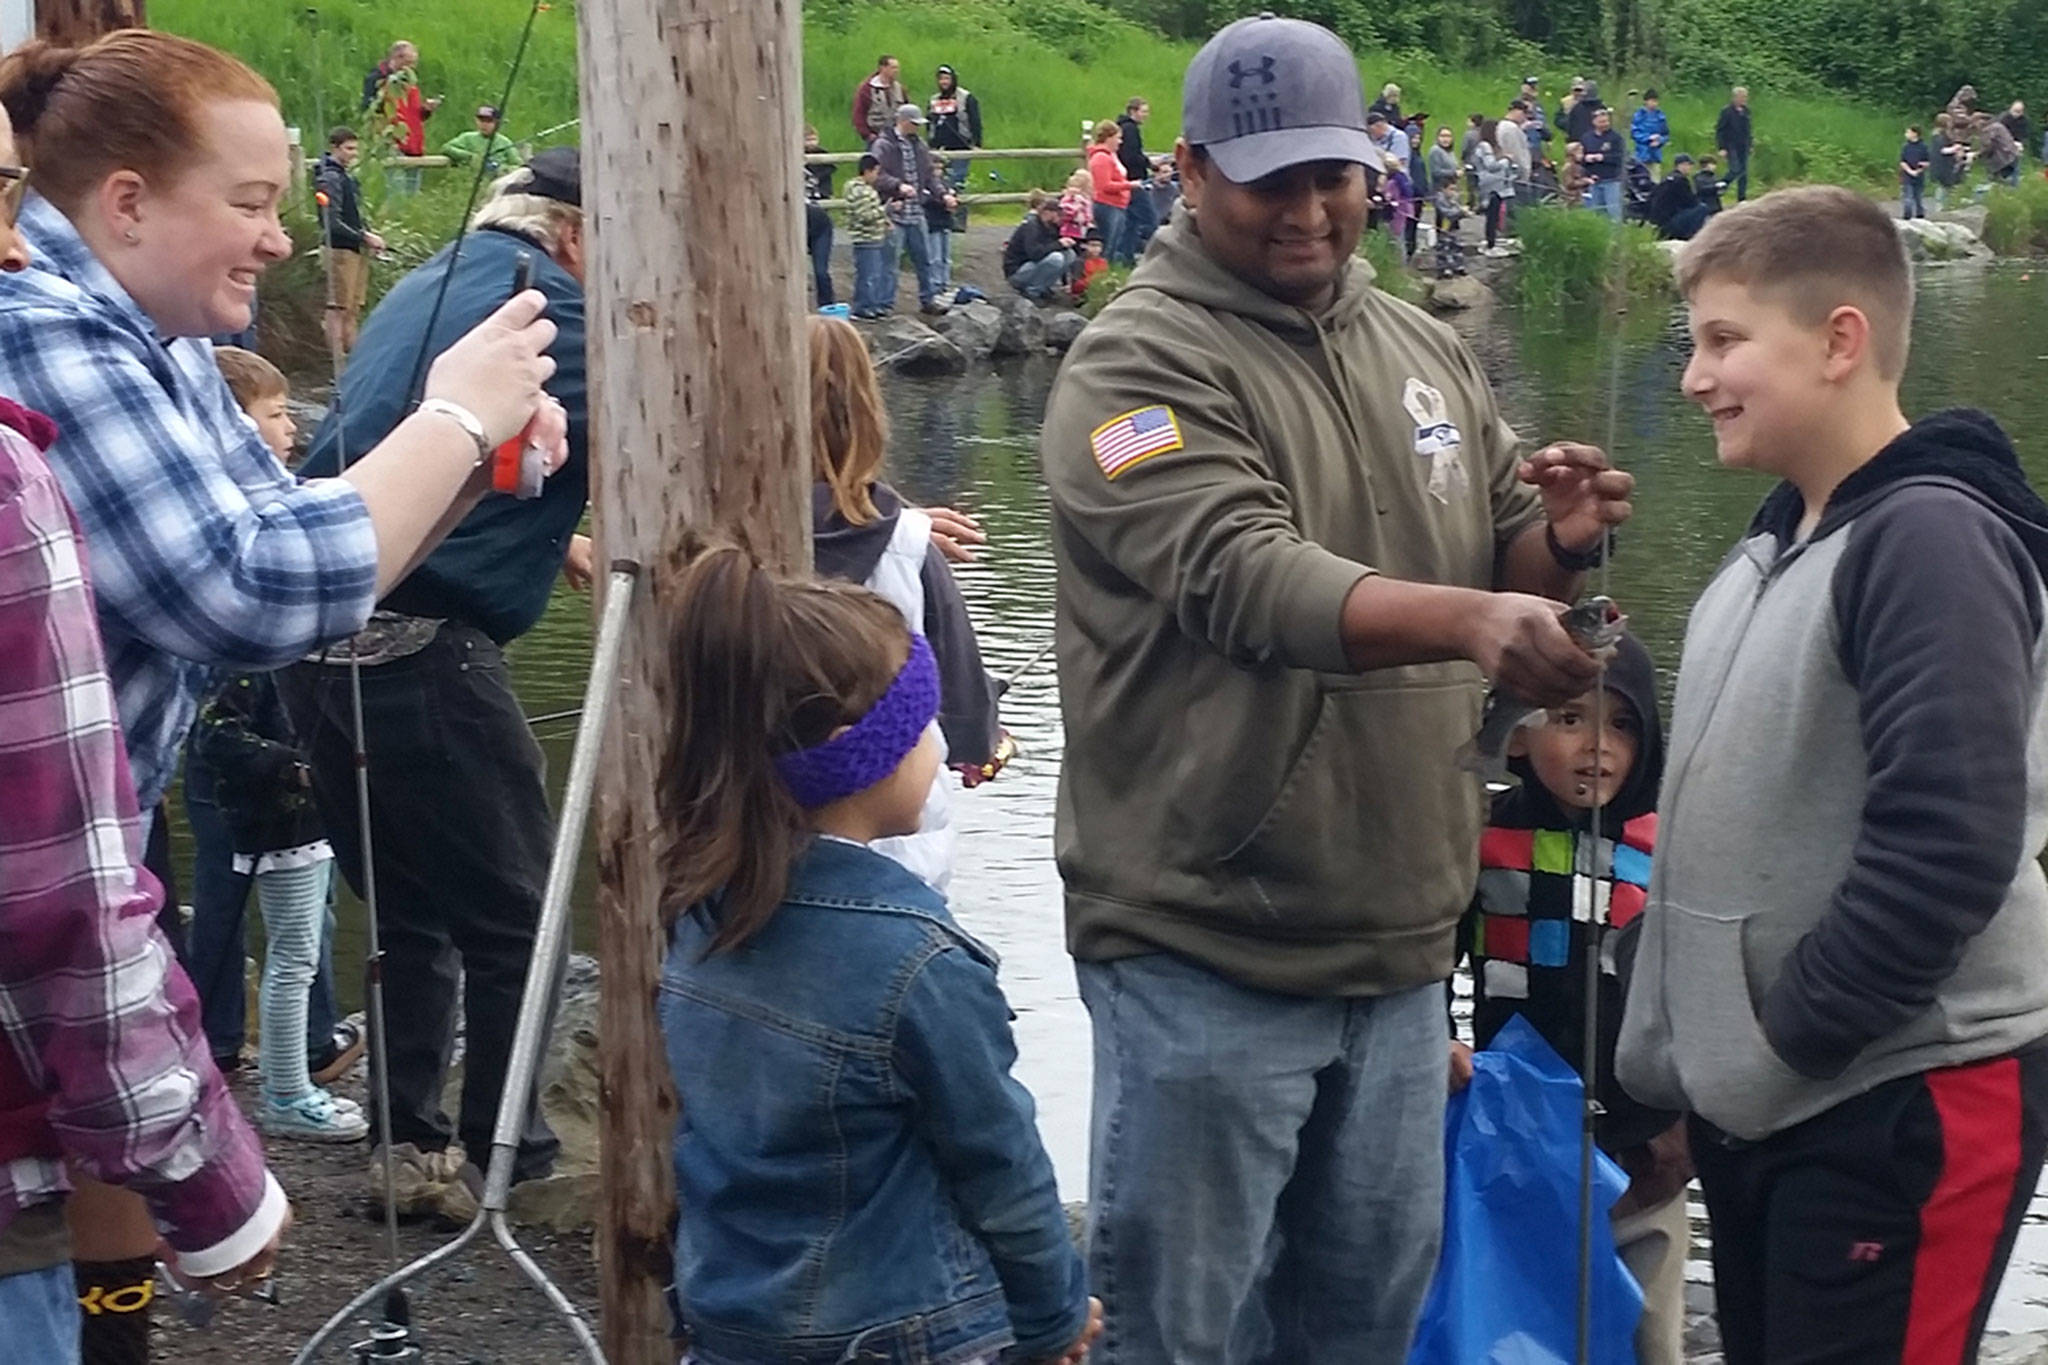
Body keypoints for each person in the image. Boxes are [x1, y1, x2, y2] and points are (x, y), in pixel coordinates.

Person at [1041, 15, 1634, 1363]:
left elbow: (1497, 544)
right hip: (1204, 948)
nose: (1309, 209)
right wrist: (1478, 619)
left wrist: (1560, 546)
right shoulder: (1130, 368)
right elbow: (1241, 575)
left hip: (1401, 949)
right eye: (1271, 179)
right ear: (1190, 171)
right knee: (1177, 1340)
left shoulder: (1418, 345)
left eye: (1334, 175)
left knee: (1360, 1334)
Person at [0, 34, 566, 1338]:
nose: (277, 240)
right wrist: (458, 418)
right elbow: (255, 587)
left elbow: (306, 541)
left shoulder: (150, 341)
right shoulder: (46, 327)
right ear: (128, 202)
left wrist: (468, 466)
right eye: (250, 205)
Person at [1619, 185, 2048, 1365]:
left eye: (1721, 341)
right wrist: (1677, 1060)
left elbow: (1948, 845)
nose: (1693, 377)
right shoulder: (1779, 542)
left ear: (1838, 340)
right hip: (1773, 1109)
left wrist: (1784, 1038)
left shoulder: (1929, 541)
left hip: (1894, 1101)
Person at [653, 545, 1101, 1365]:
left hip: (734, 1324)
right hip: (897, 1337)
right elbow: (1001, 1163)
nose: (938, 740)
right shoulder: (918, 961)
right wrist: (1055, 1316)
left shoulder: (696, 909)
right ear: (868, 751)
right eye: (922, 721)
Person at [283, 150, 588, 1221]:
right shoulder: (550, 306)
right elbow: (665, 431)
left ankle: (407, 1149)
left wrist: (562, 543)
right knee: (520, 917)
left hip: (313, 630)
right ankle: (509, 1152)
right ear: (577, 235)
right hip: (427, 640)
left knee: (406, 915)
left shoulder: (431, 278)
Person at [1450, 630, 1688, 1365]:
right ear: (1517, 738)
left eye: (1622, 724)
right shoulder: (1481, 836)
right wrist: (1437, 1036)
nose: (1597, 746)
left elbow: (1699, 981)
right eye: (1569, 719)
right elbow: (1425, 953)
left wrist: (1690, 1125)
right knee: (1520, 1329)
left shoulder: (1668, 847)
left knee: (1651, 1334)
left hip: (1648, 1152)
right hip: (1517, 1140)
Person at [188, 348, 366, 1147]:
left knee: (268, 932)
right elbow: (220, 725)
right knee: (295, 950)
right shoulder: (244, 536)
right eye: (276, 414)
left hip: (279, 793)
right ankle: (289, 1091)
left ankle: (230, 1057)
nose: (293, 428)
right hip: (278, 807)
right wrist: (294, 765)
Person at [807, 316, 1001, 888]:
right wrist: (985, 741)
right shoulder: (911, 546)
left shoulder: (722, 540)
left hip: (758, 842)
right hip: (897, 855)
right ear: (869, 411)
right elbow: (964, 711)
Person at [871, 104, 954, 316]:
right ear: (904, 121)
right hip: (894, 212)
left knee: (924, 259)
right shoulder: (883, 145)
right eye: (914, 124)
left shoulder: (920, 146)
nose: (917, 128)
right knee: (890, 262)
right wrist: (898, 186)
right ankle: (884, 304)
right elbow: (876, 175)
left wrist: (943, 194)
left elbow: (929, 176)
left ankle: (928, 299)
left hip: (916, 212)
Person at [314, 125, 383, 356]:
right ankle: (337, 359)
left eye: (355, 148)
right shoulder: (330, 177)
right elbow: (330, 221)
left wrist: (366, 237)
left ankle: (353, 356)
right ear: (334, 147)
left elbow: (355, 214)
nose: (354, 153)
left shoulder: (346, 177)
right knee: (337, 308)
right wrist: (364, 236)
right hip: (339, 250)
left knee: (353, 308)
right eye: (349, 148)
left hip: (355, 248)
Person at [370, 40, 439, 196]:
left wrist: (426, 110)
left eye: (414, 63)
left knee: (412, 193)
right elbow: (372, 109)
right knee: (396, 192)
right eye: (408, 62)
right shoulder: (378, 79)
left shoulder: (411, 84)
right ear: (397, 58)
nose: (412, 67)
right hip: (394, 142)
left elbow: (415, 115)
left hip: (414, 144)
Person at [1004, 190, 1076, 301]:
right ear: (1048, 213)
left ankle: (1043, 287)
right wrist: (1058, 244)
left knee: (1069, 254)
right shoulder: (1032, 226)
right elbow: (1035, 254)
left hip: (1032, 267)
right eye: (1059, 214)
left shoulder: (1051, 227)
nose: (1061, 218)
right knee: (1055, 259)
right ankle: (1032, 291)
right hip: (1018, 270)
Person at [846, 152, 891, 318]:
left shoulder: (867, 190)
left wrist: (885, 221)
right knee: (867, 274)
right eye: (876, 172)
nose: (877, 177)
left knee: (875, 272)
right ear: (867, 171)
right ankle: (862, 306)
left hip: (874, 237)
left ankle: (872, 303)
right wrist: (885, 209)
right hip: (865, 238)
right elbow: (865, 215)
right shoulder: (860, 191)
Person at [927, 65, 981, 197]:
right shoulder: (934, 100)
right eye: (941, 79)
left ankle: (959, 214)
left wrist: (977, 143)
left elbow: (975, 121)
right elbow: (930, 122)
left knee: (957, 181)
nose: (944, 82)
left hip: (961, 145)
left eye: (947, 78)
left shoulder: (966, 97)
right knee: (939, 182)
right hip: (939, 148)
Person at [1117, 97, 1160, 259]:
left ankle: (1124, 258)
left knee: (1131, 223)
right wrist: (1149, 163)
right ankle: (1158, 256)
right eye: (1143, 111)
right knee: (1151, 220)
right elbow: (1131, 156)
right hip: (1134, 181)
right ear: (1133, 111)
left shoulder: (1122, 128)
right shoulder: (1131, 130)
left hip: (1126, 181)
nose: (1146, 115)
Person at [1088, 118, 1134, 267]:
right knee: (1106, 245)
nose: (1120, 142)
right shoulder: (1101, 158)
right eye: (1118, 138)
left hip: (1118, 205)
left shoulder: (1110, 156)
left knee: (1113, 245)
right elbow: (1104, 185)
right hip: (1107, 205)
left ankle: (1106, 274)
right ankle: (1097, 276)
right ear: (1108, 138)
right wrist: (1129, 185)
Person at [802, 124, 836, 308]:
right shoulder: (789, 161)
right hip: (796, 222)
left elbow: (827, 190)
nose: (811, 143)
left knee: (821, 271)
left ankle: (828, 307)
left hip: (820, 223)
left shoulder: (825, 162)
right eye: (807, 139)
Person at [439, 104, 523, 174]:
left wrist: (501, 168)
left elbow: (518, 165)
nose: (484, 124)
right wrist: (470, 157)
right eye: (481, 120)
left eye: (489, 121)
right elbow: (446, 148)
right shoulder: (467, 137)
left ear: (497, 123)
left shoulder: (504, 142)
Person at [1647, 152, 1711, 239]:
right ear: (1682, 165)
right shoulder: (1680, 180)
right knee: (1703, 208)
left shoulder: (1666, 178)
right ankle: (1691, 236)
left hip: (1658, 222)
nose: (1690, 168)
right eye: (1689, 165)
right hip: (1670, 223)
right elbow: (1691, 202)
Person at [851, 53, 906, 146]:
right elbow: (859, 114)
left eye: (897, 68)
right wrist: (867, 135)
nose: (896, 71)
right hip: (876, 138)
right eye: (893, 68)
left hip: (897, 138)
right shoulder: (867, 89)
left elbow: (906, 110)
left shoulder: (900, 88)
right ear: (882, 68)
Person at [1582, 106, 1625, 220]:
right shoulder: (1587, 138)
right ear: (1594, 122)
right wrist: (1586, 158)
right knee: (1596, 213)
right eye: (1601, 121)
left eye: (1606, 121)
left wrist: (1603, 157)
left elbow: (1621, 157)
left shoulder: (1616, 138)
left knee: (1613, 212)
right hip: (1593, 180)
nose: (1605, 124)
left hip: (1611, 180)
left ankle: (1616, 236)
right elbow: (1579, 157)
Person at [1474, 135, 1515, 254]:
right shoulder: (1484, 147)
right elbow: (1491, 166)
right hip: (1490, 186)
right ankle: (1490, 242)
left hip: (1497, 185)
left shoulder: (1490, 148)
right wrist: (1506, 159)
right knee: (1491, 215)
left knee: (1495, 214)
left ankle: (1492, 239)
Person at [1715, 86, 1753, 202]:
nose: (1744, 99)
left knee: (1744, 173)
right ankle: (1720, 185)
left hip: (1744, 144)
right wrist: (1721, 147)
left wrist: (1751, 144)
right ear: (1735, 97)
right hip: (1731, 144)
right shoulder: (1726, 111)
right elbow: (1720, 130)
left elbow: (1748, 129)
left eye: (1745, 97)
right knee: (1735, 169)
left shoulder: (1746, 111)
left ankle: (1741, 198)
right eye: (1741, 97)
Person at [1431, 170, 1468, 278]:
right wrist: (1460, 212)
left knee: (1456, 245)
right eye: (1451, 189)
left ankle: (1458, 265)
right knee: (1444, 247)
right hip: (1443, 226)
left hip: (1454, 226)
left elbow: (1457, 210)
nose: (1453, 192)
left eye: (1455, 189)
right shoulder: (1439, 199)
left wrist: (1464, 213)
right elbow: (1447, 213)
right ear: (1443, 189)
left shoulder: (1455, 198)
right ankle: (1444, 268)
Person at [1499, 101, 1534, 209]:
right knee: (1520, 210)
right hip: (1517, 177)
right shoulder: (1511, 128)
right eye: (1524, 113)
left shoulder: (1503, 125)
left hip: (1509, 175)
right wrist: (1525, 173)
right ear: (1517, 111)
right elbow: (1518, 153)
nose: (1525, 117)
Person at [1931, 113, 1966, 211]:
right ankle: (1939, 207)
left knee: (1948, 187)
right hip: (1942, 166)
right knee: (1943, 187)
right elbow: (1942, 150)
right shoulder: (1938, 136)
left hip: (1947, 165)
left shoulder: (1945, 135)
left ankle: (1946, 206)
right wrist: (1955, 148)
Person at [1631, 89, 1669, 177]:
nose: (1654, 103)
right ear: (1646, 101)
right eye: (1651, 101)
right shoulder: (1639, 115)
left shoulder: (1661, 116)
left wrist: (1660, 141)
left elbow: (1666, 135)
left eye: (1656, 101)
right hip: (1641, 154)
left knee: (1655, 181)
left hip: (1655, 155)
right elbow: (1635, 133)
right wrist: (1649, 138)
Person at [1899, 125, 1929, 220]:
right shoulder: (1906, 147)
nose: (1906, 134)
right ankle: (1907, 216)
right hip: (1907, 176)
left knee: (1918, 197)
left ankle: (1920, 215)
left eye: (1908, 132)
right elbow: (1902, 161)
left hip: (1919, 176)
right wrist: (1910, 171)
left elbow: (1927, 161)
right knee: (1908, 197)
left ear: (1915, 133)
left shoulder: (1923, 147)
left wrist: (1919, 169)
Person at [1058, 167, 1095, 242]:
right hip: (1070, 230)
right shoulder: (1070, 199)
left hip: (1082, 229)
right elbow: (1065, 212)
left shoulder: (1086, 200)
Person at [1983, 115, 2021, 187]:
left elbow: (1988, 145)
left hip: (2004, 157)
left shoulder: (1991, 129)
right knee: (2012, 183)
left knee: (1994, 180)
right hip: (2012, 155)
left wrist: (1978, 154)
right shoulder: (1999, 126)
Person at [1071, 227, 1108, 300]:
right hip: (1083, 292)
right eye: (1093, 245)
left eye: (1098, 246)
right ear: (1086, 246)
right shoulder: (1079, 262)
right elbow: (1075, 284)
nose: (1096, 249)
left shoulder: (1103, 261)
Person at [1567, 79, 1605, 146]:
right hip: (1598, 143)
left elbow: (1571, 127)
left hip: (1579, 143)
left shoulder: (1577, 108)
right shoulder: (1602, 108)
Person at [1519, 76, 1551, 149]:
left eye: (1535, 85)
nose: (1534, 88)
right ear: (1524, 88)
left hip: (1536, 144)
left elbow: (1541, 123)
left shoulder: (1537, 105)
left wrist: (1547, 138)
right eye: (1531, 86)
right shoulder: (1518, 104)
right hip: (1524, 144)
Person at [1561, 140, 1591, 208]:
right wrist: (1585, 181)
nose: (1582, 156)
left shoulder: (1578, 166)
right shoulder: (1568, 167)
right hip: (1572, 198)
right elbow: (1569, 183)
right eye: (1579, 153)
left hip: (1579, 196)